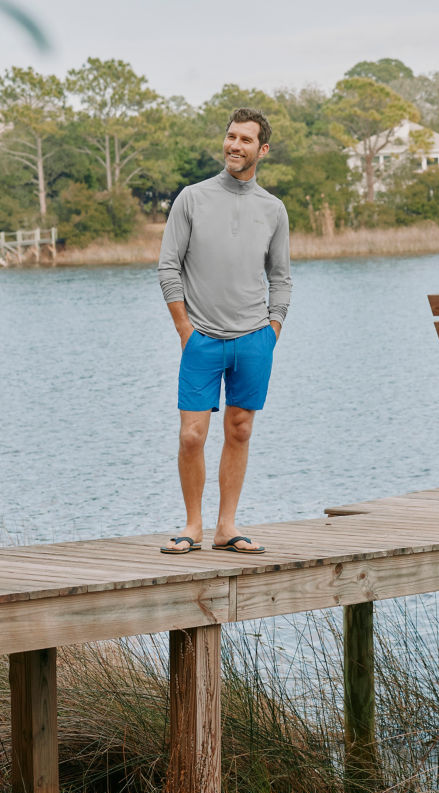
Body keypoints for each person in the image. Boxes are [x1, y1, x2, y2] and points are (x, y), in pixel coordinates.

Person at [158, 107, 291, 554]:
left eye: (245, 139)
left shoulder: (273, 209)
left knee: (240, 430)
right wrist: (184, 328)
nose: (235, 145)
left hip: (254, 337)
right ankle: (192, 526)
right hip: (202, 338)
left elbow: (282, 276)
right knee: (191, 435)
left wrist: (273, 329)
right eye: (231, 136)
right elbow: (168, 266)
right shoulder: (192, 198)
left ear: (263, 149)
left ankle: (225, 526)